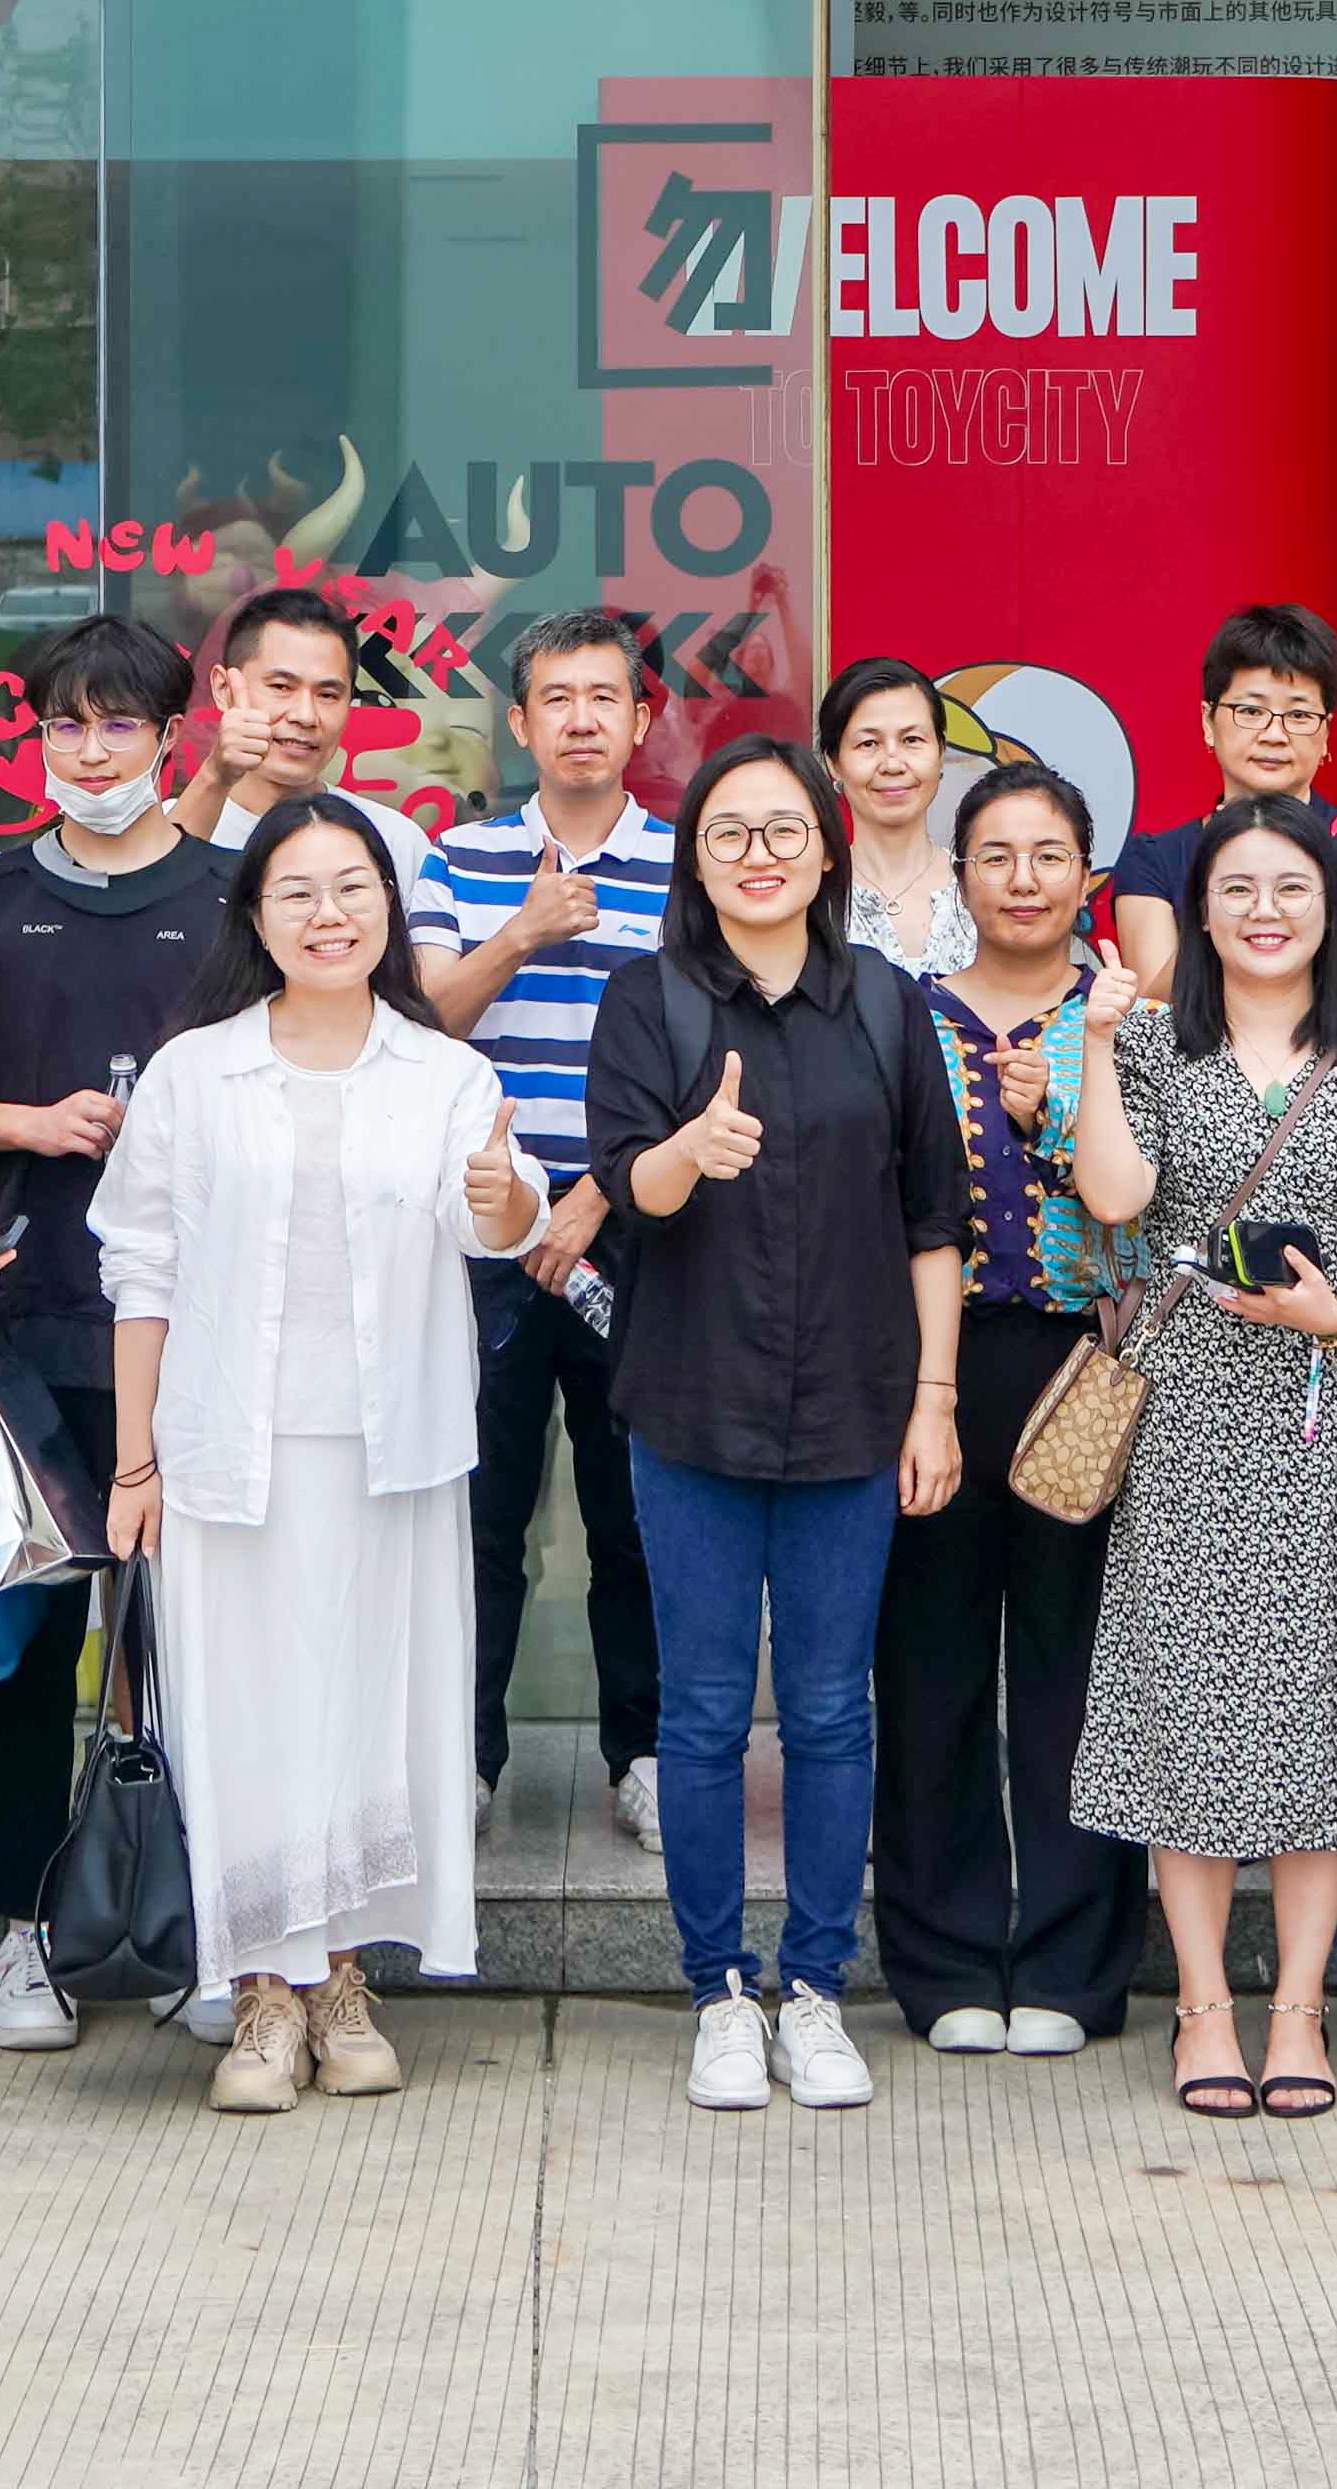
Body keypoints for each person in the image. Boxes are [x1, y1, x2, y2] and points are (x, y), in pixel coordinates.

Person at [93, 798, 535, 2110]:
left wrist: (509, 1199)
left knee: (365, 1710)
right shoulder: (195, 1075)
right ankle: (260, 1995)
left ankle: (342, 1979)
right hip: (227, 1449)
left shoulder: (443, 1075)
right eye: (296, 891)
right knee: (245, 1714)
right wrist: (132, 1466)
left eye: (353, 887)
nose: (328, 914)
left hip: (390, 1450)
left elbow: (492, 1226)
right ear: (254, 916)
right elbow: (140, 1271)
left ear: (390, 908)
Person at [579, 731, 968, 2110]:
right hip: (691, 1408)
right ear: (695, 861)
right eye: (728, 833)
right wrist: (687, 1153)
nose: (758, 854)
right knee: (696, 1718)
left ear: (826, 845)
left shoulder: (888, 1007)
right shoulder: (649, 1000)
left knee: (827, 1714)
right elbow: (627, 1189)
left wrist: (934, 1403)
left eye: (783, 829)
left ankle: (813, 1988)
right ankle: (716, 1993)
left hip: (856, 1411)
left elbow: (935, 1220)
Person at [1066, 797, 1337, 2124]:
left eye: (1292, 886)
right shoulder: (1150, 1048)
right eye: (1236, 888)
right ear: (1200, 911)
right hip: (1192, 1408)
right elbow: (1114, 1200)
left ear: (1331, 909)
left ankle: (1297, 2008)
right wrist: (1096, 1040)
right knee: (1190, 1705)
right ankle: (1201, 2008)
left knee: (1326, 1711)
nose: (1265, 910)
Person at [0, 614, 236, 2048]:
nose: (91, 752)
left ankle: (195, 1923)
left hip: (198, 1330)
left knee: (190, 1642)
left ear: (170, 737)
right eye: (65, 726)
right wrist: (30, 1125)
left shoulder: (228, 898)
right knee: (33, 1645)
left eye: (119, 725)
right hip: (28, 1322)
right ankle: (27, 1930)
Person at [875, 762, 1135, 2061]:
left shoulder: (1132, 1022)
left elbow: (1149, 1208)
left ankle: (1076, 1971)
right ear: (958, 876)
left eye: (1048, 855)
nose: (1023, 880)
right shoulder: (899, 1016)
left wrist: (1061, 1119)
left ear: (1087, 875)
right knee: (926, 1668)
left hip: (1087, 1368)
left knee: (1076, 1669)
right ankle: (941, 1964)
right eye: (995, 855)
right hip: (926, 1369)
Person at [414, 611, 675, 1847]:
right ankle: (463, 1760)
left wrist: (593, 1195)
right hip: (484, 1231)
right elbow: (422, 1028)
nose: (580, 720)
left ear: (640, 718)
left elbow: (701, 1063)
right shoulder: (455, 860)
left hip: (635, 1222)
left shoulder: (688, 862)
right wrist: (520, 930)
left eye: (602, 698)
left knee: (636, 1515)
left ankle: (645, 1753)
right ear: (518, 724)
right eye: (555, 699)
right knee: (480, 1514)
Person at [1110, 604, 1337, 1014]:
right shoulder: (1152, 859)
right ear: (1208, 721)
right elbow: (1152, 1017)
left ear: (1326, 733)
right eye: (1251, 711)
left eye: (1299, 715)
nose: (1274, 734)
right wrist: (1227, 898)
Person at [813, 654, 974, 977]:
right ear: (833, 762)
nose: (892, 764)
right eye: (868, 743)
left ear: (940, 752)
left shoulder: (983, 885)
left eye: (912, 740)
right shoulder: (810, 894)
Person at [194, 582, 369, 845]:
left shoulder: (393, 840)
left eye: (327, 695)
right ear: (224, 688)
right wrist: (213, 775)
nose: (305, 716)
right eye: (281, 687)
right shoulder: (161, 831)